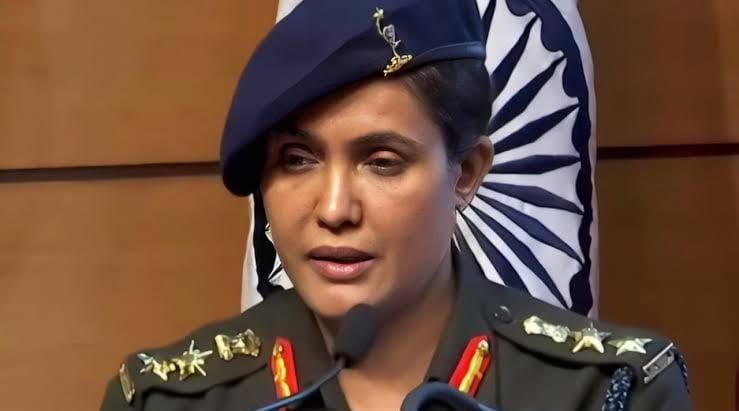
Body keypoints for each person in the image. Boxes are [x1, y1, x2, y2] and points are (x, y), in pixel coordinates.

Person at [100, 1, 692, 410]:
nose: (334, 210)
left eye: (381, 162)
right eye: (297, 161)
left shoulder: (608, 393)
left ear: (466, 173)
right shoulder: (169, 399)